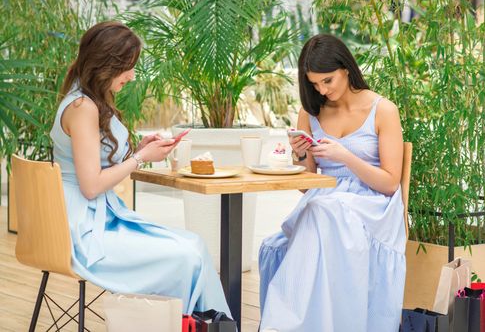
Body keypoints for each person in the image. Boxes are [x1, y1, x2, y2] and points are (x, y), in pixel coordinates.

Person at [49, 21, 230, 316]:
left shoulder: (88, 99)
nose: (132, 76)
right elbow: (91, 185)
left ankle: (210, 325)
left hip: (97, 218)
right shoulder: (83, 107)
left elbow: (93, 163)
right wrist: (141, 157)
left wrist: (137, 149)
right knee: (184, 256)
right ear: (107, 65)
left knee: (194, 244)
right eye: (128, 67)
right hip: (82, 232)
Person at [258, 34, 406, 331]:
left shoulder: (383, 110)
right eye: (314, 84)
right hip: (324, 199)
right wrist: (300, 157)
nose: (322, 90)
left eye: (327, 81)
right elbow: (306, 183)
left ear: (346, 68)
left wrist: (345, 155)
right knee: (273, 245)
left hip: (372, 203)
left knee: (322, 212)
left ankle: (282, 326)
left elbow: (390, 183)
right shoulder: (310, 112)